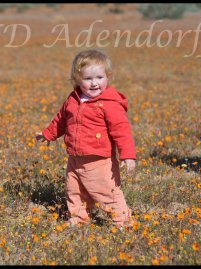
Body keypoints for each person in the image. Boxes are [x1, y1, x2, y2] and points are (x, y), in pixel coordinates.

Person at [35, 49, 136, 229]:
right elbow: (61, 119)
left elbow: (122, 130)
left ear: (108, 77)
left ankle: (123, 221)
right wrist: (48, 134)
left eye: (99, 77)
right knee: (75, 191)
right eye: (88, 79)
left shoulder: (110, 103)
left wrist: (127, 155)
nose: (94, 83)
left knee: (106, 191)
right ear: (77, 80)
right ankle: (79, 219)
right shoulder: (73, 99)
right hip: (75, 158)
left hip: (99, 159)